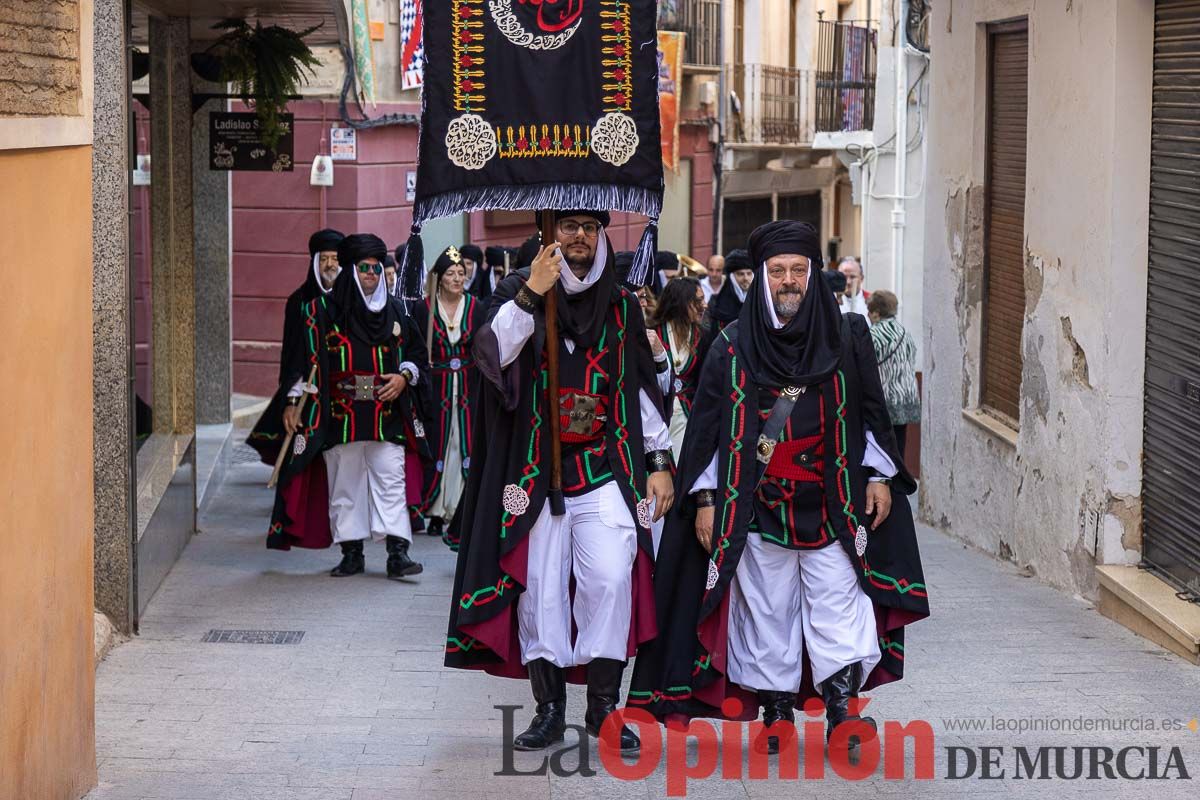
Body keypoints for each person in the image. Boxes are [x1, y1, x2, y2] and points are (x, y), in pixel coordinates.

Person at [627, 220, 929, 761]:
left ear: (813, 276)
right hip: (758, 507)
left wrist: (881, 475)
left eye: (797, 270)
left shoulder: (849, 336)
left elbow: (872, 415)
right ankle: (776, 711)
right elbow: (705, 431)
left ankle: (841, 712)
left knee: (839, 602)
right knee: (767, 610)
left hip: (833, 501)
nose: (787, 281)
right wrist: (705, 498)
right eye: (777, 271)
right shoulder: (730, 345)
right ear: (762, 278)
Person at [445, 209, 676, 755]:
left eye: (589, 228)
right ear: (550, 235)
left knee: (612, 577)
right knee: (541, 588)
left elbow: (642, 387)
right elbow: (493, 355)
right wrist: (532, 293)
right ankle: (549, 711)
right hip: (534, 471)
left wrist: (660, 460)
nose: (578, 236)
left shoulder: (621, 305)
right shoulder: (516, 291)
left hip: (606, 468)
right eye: (567, 226)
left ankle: (603, 708)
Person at [261, 233, 432, 580]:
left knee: (390, 478)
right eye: (364, 268)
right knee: (345, 483)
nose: (372, 274)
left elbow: (417, 355)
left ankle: (398, 552)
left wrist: (403, 377)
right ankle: (351, 552)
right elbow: (298, 359)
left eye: (376, 267)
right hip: (340, 415)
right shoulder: (320, 311)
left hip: (387, 414)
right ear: (352, 271)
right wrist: (293, 401)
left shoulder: (397, 309)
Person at [246, 228, 343, 463]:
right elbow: (291, 355)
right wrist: (291, 400)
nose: (330, 265)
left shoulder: (351, 300)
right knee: (304, 456)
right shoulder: (299, 301)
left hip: (342, 394)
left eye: (335, 259)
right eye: (324, 259)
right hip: (309, 393)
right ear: (315, 263)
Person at [412, 246, 486, 544]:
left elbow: (484, 348)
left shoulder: (476, 307)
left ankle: (457, 511)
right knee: (439, 445)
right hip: (438, 387)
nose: (458, 278)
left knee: (463, 444)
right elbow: (416, 348)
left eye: (461, 273)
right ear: (439, 279)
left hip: (467, 386)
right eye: (451, 274)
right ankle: (434, 510)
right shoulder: (425, 308)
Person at [648, 276, 706, 461]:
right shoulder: (653, 332)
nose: (704, 305)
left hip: (690, 417)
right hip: (657, 415)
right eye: (697, 301)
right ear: (681, 303)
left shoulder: (704, 336)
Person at [868, 290, 920, 459]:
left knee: (882, 452)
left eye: (869, 311)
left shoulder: (874, 334)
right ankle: (898, 482)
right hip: (906, 399)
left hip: (886, 400)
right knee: (899, 448)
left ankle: (885, 483)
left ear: (876, 313)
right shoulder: (904, 332)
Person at [705, 248, 754, 333]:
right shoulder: (715, 304)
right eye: (740, 274)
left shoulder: (763, 301)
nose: (746, 278)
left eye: (749, 273)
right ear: (732, 277)